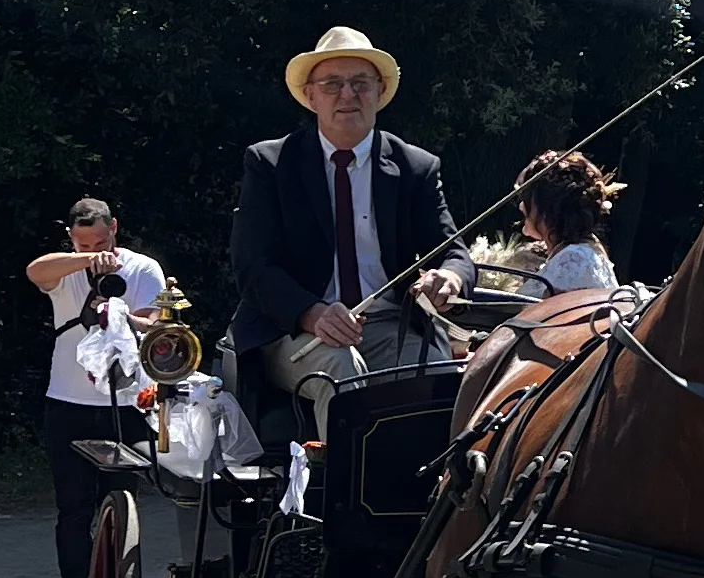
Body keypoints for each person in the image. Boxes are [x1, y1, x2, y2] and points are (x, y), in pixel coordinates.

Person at [227, 25, 462, 440]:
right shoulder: (269, 164)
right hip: (294, 331)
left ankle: (433, 502)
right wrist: (312, 312)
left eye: (360, 83)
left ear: (379, 93)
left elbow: (453, 252)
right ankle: (347, 503)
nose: (347, 95)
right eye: (332, 84)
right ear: (311, 96)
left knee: (440, 377)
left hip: (390, 325)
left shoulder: (416, 167)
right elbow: (253, 267)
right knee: (343, 375)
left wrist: (451, 277)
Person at [25, 197, 167, 578]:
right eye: (84, 241)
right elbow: (35, 272)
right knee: (72, 509)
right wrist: (86, 260)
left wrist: (118, 313)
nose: (96, 247)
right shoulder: (66, 268)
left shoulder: (142, 268)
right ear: (72, 238)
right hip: (67, 401)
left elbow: (157, 320)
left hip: (125, 404)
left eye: (102, 240)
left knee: (121, 505)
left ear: (116, 229)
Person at [510, 148, 625, 299]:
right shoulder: (579, 252)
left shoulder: (575, 261)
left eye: (527, 198)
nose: (521, 206)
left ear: (547, 210)